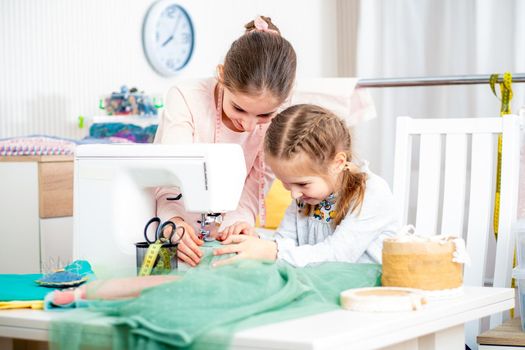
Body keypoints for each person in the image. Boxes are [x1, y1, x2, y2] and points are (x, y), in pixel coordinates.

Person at [154, 16, 297, 267]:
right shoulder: (186, 99)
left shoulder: (278, 121)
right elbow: (168, 176)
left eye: (264, 115)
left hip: (219, 235)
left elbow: (254, 189)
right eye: (239, 109)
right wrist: (172, 223)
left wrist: (238, 225)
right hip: (170, 222)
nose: (249, 125)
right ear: (221, 75)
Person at [213, 104, 398, 267]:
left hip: (369, 288)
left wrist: (272, 252)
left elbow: (338, 255)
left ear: (338, 163)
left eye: (302, 183)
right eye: (285, 183)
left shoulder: (371, 194)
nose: (294, 195)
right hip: (325, 281)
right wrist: (256, 242)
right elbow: (286, 241)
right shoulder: (306, 195)